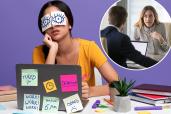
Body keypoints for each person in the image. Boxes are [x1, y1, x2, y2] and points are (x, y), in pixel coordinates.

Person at [32, 0, 118, 99]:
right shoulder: (38, 52)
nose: (53, 25)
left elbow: (119, 85)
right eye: (47, 22)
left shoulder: (89, 47)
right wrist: (52, 50)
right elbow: (41, 90)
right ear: (43, 29)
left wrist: (91, 91)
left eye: (58, 18)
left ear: (70, 24)